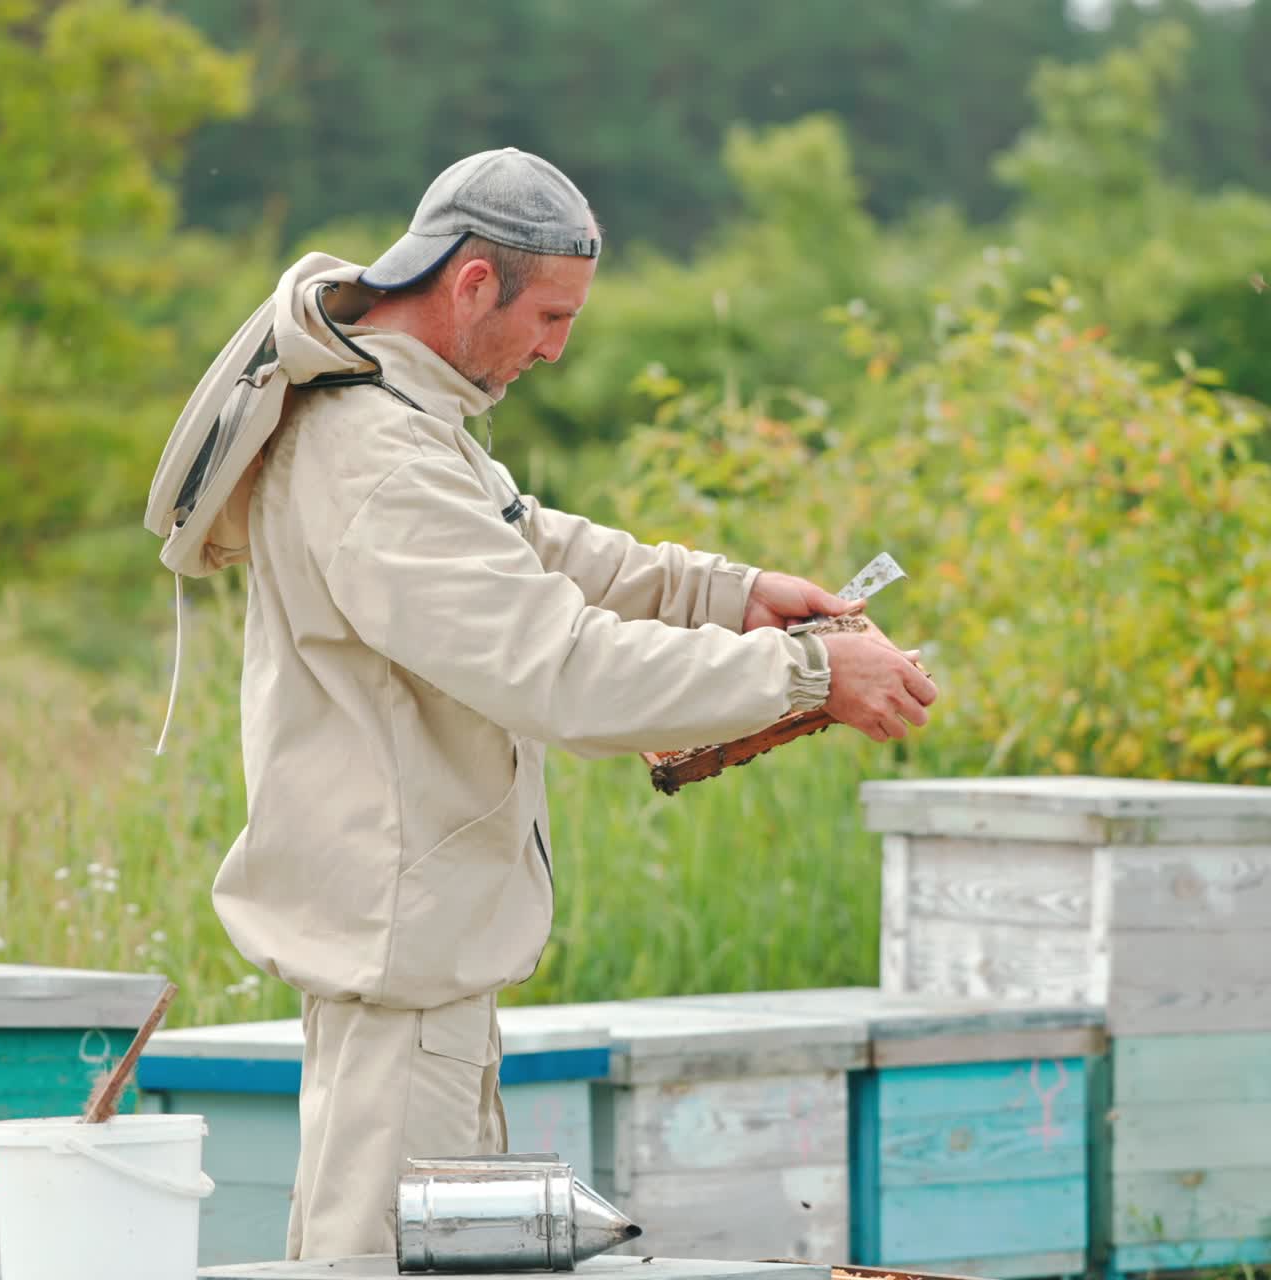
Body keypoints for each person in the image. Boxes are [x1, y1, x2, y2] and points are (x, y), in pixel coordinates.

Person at [204, 147, 937, 1260]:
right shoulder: (378, 457)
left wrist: (727, 593)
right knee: (383, 1263)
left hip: (418, 956)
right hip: (403, 961)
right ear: (470, 286)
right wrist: (807, 674)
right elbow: (556, 666)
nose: (557, 347)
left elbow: (531, 543)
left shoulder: (399, 421)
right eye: (549, 315)